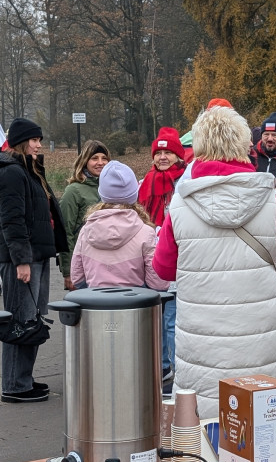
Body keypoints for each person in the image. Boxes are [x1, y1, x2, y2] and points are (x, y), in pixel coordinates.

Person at [153, 105, 276, 462]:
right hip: (261, 331)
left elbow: (164, 267)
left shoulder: (180, 203)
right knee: (265, 418)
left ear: (196, 146)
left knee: (211, 419)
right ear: (245, 145)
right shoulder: (266, 196)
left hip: (203, 333)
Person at [0, 118, 67, 403]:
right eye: (34, 140)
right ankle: (15, 385)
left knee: (31, 320)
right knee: (20, 320)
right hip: (23, 258)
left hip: (36, 255)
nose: (39, 145)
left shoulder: (27, 169)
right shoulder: (10, 173)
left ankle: (23, 378)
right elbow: (12, 221)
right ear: (21, 141)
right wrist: (21, 260)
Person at [138, 126, 187, 389]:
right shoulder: (146, 182)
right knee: (156, 316)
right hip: (150, 258)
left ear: (179, 156)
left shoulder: (185, 183)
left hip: (176, 258)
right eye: (159, 152)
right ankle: (162, 366)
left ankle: (177, 369)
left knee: (172, 318)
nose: (163, 157)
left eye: (168, 152)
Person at [70, 160, 168, 293]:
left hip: (95, 305)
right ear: (134, 192)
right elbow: (158, 283)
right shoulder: (145, 232)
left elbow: (77, 278)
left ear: (102, 193)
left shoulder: (86, 230)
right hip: (135, 307)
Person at [59, 140, 111, 291]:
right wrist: (68, 272)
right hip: (84, 266)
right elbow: (65, 233)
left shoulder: (114, 188)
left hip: (111, 266)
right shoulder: (73, 191)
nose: (100, 163)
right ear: (85, 161)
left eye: (104, 158)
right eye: (95, 158)